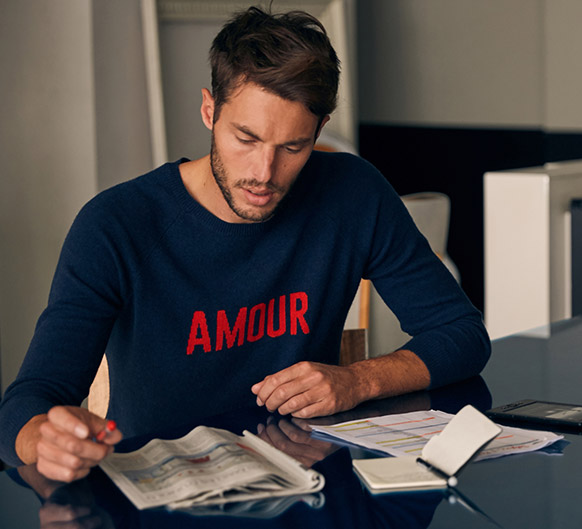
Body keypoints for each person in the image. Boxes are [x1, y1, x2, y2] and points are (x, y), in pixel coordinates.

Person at [0, 6, 490, 482]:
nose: (264, 173)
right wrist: (45, 438)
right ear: (209, 111)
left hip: (305, 488)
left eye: (292, 147)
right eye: (246, 138)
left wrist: (356, 380)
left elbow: (462, 333)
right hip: (166, 495)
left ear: (319, 130)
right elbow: (26, 402)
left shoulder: (353, 195)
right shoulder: (116, 225)